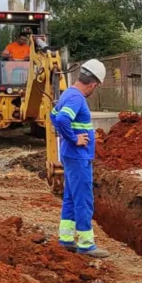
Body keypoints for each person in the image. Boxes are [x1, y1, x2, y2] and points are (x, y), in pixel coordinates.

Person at [51, 59, 109, 258]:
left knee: (70, 196)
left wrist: (66, 136)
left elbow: (53, 114)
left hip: (69, 155)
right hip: (78, 157)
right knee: (83, 198)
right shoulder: (77, 98)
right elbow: (61, 119)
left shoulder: (67, 93)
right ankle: (86, 243)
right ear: (93, 84)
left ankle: (66, 239)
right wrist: (74, 138)